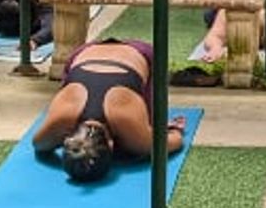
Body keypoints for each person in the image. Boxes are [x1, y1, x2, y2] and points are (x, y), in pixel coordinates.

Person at [33, 39, 186, 180]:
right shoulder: (62, 120)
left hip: (142, 54)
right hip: (85, 51)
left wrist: (168, 131)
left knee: (131, 149)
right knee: (132, 147)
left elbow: (176, 140)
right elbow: (38, 145)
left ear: (112, 144)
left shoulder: (134, 135)